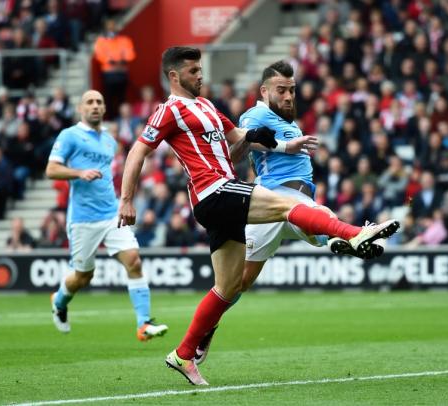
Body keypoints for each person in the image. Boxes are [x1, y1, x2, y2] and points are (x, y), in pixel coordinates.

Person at [117, 47, 399, 385]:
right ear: (174, 76)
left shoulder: (207, 106)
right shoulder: (168, 110)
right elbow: (137, 151)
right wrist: (127, 200)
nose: (200, 76)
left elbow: (238, 138)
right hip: (213, 191)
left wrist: (267, 142)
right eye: (193, 71)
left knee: (229, 287)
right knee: (285, 207)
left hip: (224, 192)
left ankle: (184, 354)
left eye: (200, 69)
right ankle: (354, 233)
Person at [192, 60, 391, 367]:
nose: (288, 96)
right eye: (281, 90)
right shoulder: (256, 114)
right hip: (274, 198)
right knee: (315, 219)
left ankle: (342, 239)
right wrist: (272, 143)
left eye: (292, 90)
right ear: (264, 91)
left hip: (290, 204)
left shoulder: (289, 120)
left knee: (240, 283)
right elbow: (237, 150)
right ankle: (351, 236)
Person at [46, 90, 168, 341]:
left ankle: (143, 324)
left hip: (111, 213)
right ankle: (59, 300)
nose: (94, 106)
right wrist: (79, 173)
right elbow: (51, 169)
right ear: (81, 108)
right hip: (82, 219)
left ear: (103, 109)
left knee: (133, 260)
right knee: (83, 276)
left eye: (99, 102)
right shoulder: (70, 136)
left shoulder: (109, 141)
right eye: (89, 102)